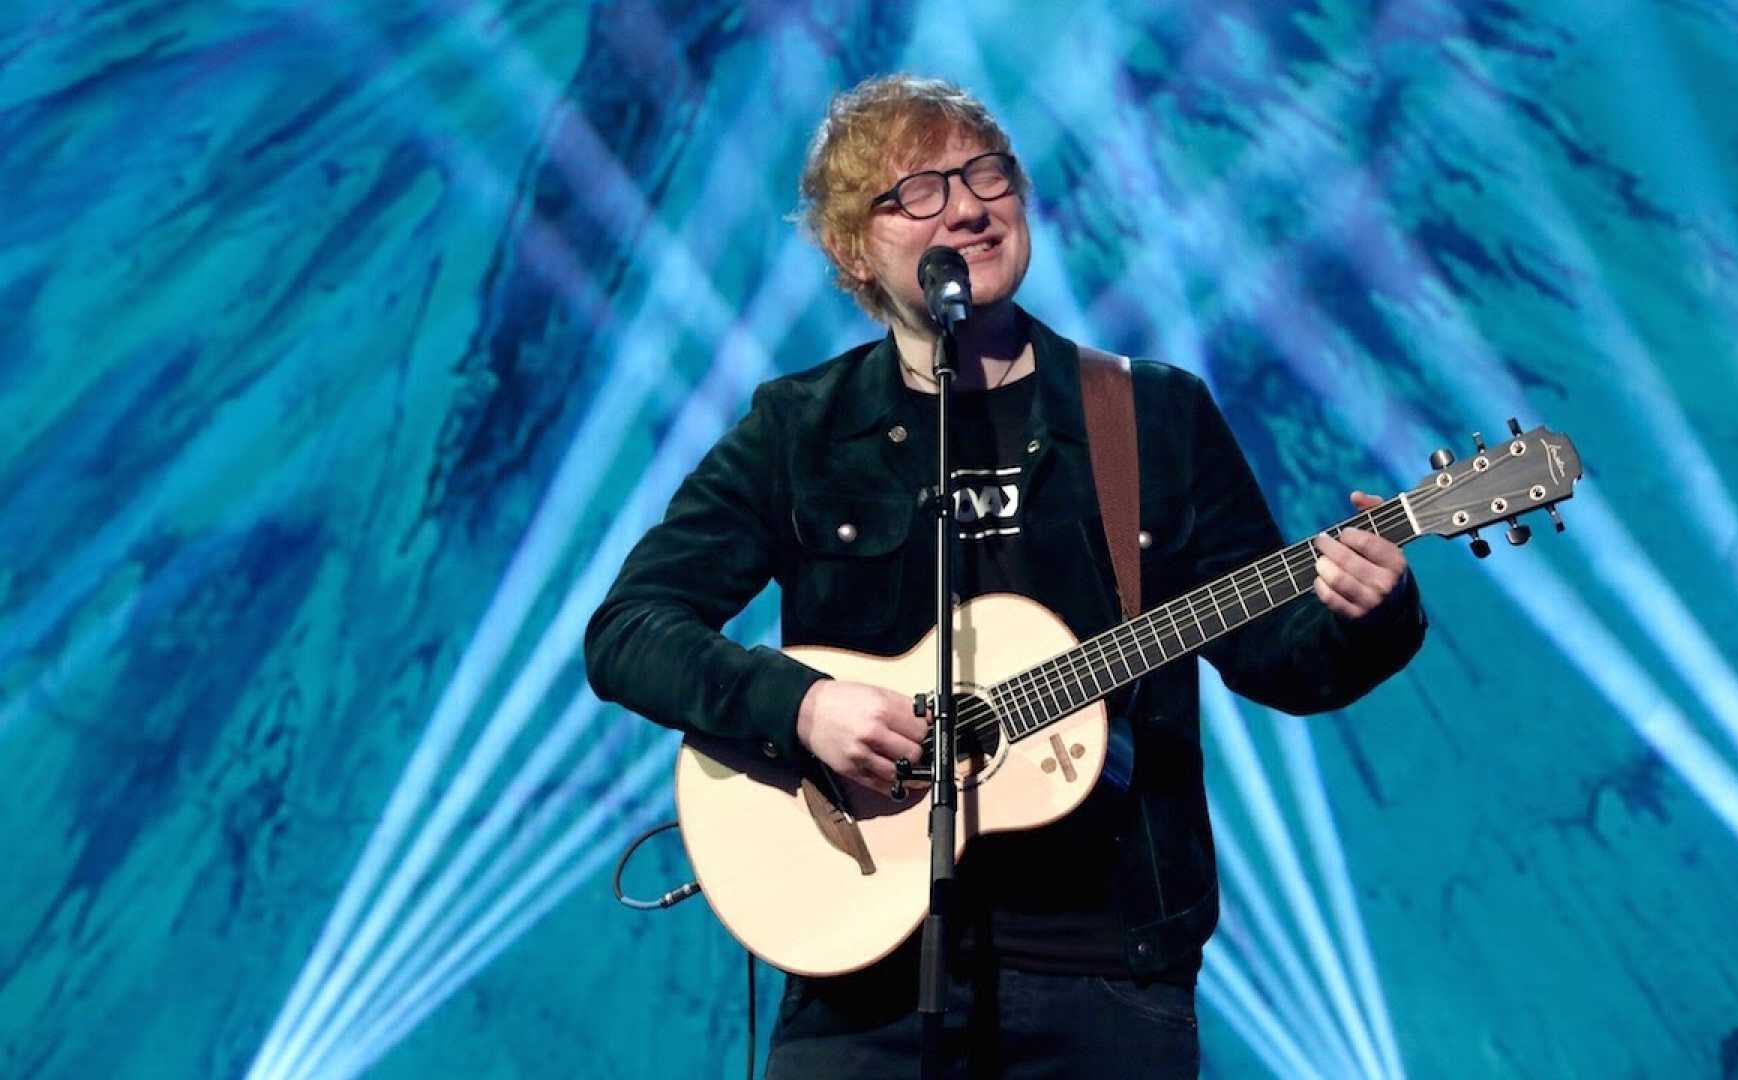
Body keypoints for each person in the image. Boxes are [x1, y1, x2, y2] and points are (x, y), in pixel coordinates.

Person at [585, 74, 1426, 1079]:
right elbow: (630, 630)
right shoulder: (798, 429)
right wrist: (803, 707)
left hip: (1107, 976)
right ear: (854, 248)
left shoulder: (1147, 415)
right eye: (921, 190)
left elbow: (1277, 661)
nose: (972, 208)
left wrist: (1366, 613)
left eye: (987, 175)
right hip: (861, 973)